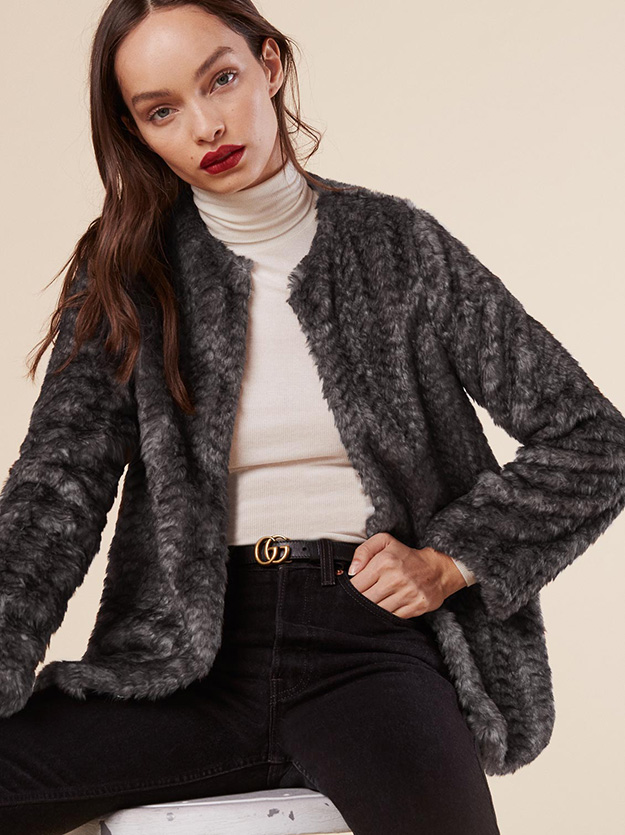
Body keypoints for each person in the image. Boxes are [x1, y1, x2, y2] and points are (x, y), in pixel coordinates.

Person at [2, 2, 625, 834]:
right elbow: (57, 489)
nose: (205, 125)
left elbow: (594, 440)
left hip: (369, 647)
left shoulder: (399, 246)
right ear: (137, 131)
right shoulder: (128, 270)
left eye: (221, 79)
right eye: (162, 110)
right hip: (184, 659)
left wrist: (450, 559)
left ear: (268, 66)